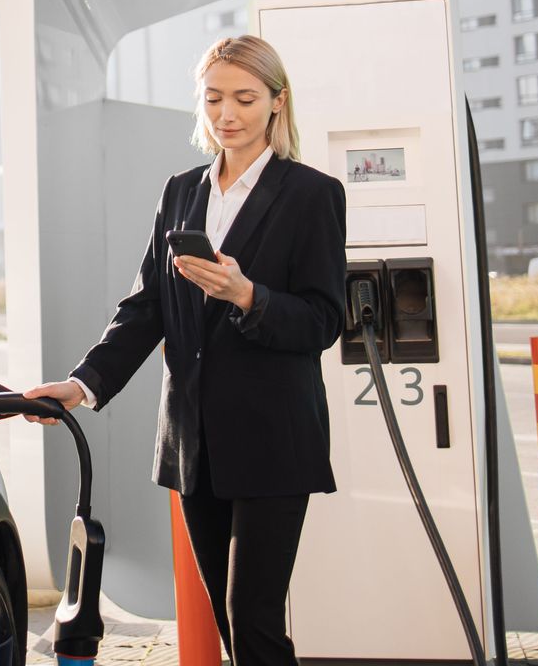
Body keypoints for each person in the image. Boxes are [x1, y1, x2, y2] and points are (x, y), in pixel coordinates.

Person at [24, 34, 345, 666]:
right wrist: (82, 385)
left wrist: (249, 295)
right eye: (214, 97)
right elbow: (146, 310)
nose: (228, 114)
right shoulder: (180, 193)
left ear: (277, 104)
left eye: (245, 98)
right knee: (231, 624)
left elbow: (323, 320)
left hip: (274, 437)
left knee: (253, 619)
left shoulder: (312, 194)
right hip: (194, 442)